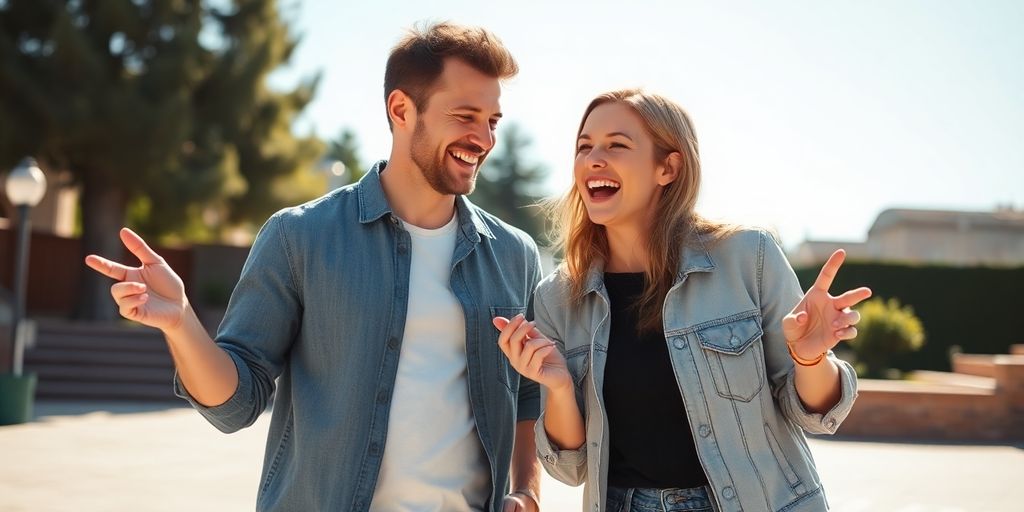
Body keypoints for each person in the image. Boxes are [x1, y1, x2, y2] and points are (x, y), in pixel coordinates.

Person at [86, 22, 544, 512]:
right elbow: (234, 406)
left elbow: (526, 402)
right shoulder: (300, 237)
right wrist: (180, 322)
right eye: (465, 116)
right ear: (401, 110)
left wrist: (527, 492)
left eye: (493, 120)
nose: (483, 138)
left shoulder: (514, 255)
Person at [494, 89, 871, 512]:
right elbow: (569, 467)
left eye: (616, 145)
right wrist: (559, 387)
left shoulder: (748, 257)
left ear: (668, 167)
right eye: (585, 147)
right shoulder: (558, 297)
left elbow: (814, 415)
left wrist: (809, 359)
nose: (593, 159)